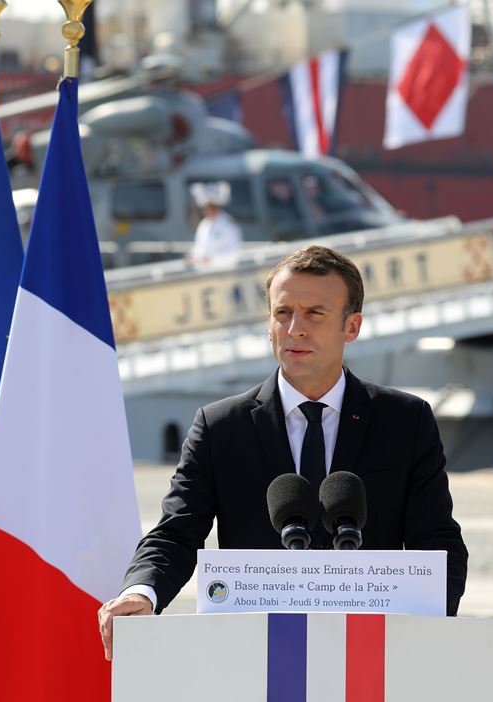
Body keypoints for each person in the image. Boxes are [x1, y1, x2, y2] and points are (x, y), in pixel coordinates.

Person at [98, 245, 468, 659]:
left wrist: (425, 640)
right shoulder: (221, 427)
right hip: (255, 659)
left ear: (352, 326)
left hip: (370, 658)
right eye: (282, 313)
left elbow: (437, 543)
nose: (295, 328)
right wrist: (141, 592)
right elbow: (176, 533)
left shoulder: (405, 421)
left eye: (315, 313)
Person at [186, 181, 242, 267]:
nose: (206, 211)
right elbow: (200, 246)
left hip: (222, 272)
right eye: (205, 208)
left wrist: (213, 260)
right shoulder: (204, 224)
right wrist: (192, 255)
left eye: (211, 207)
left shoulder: (228, 224)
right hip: (204, 271)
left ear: (217, 207)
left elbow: (234, 252)